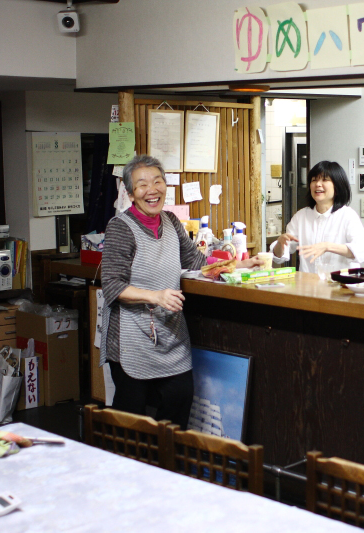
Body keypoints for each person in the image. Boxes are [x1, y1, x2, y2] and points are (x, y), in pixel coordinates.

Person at [100, 154, 261, 426]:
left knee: (179, 402)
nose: (152, 190)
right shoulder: (120, 228)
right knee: (131, 419)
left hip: (170, 334)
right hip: (131, 338)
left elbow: (197, 263)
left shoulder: (172, 222)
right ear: (129, 193)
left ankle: (165, 466)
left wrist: (239, 264)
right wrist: (155, 296)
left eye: (157, 181)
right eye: (142, 185)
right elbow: (112, 285)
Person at [271, 160, 364, 273]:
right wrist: (280, 243)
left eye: (324, 180)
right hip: (309, 286)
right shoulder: (301, 216)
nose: (318, 184)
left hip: (340, 286)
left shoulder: (347, 215)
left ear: (337, 186)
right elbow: (279, 257)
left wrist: (327, 246)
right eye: (314, 180)